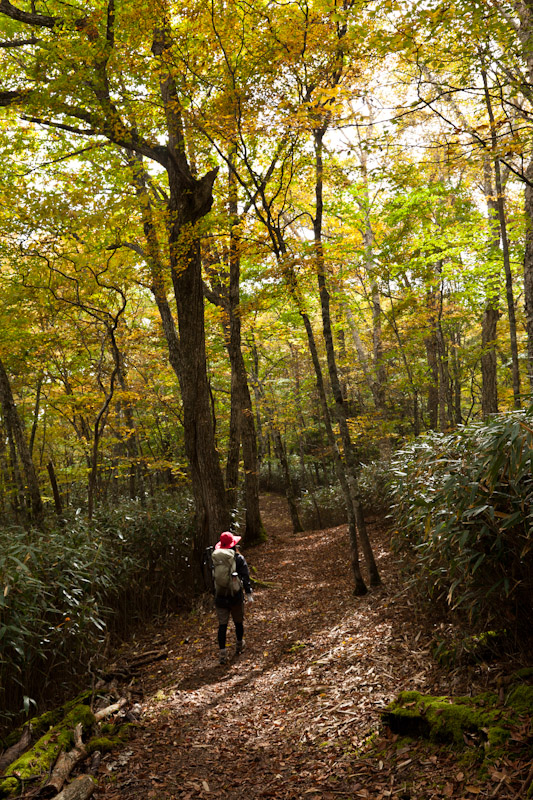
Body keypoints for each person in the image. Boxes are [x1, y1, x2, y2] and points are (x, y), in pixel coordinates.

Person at [213, 531, 253, 665]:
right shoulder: (238, 558)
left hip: (220, 597)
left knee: (222, 625)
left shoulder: (215, 558)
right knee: (238, 622)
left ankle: (222, 653)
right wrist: (249, 594)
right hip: (235, 596)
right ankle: (239, 645)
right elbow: (245, 577)